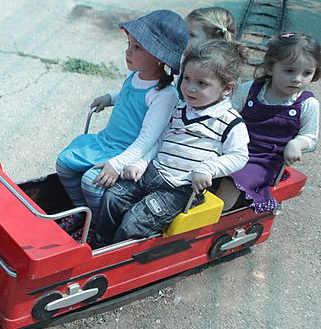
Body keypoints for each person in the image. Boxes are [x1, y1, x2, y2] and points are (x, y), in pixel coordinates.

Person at [93, 40, 250, 248]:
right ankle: (99, 243)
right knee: (112, 198)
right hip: (152, 172)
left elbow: (239, 156)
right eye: (186, 79)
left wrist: (209, 168)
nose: (190, 88)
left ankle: (116, 258)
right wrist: (140, 163)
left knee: (135, 221)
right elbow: (160, 139)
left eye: (201, 83)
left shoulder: (230, 122)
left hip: (179, 188)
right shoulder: (180, 108)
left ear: (226, 88)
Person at [55, 10, 188, 234]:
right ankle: (81, 213)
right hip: (107, 140)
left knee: (92, 182)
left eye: (138, 48)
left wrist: (117, 164)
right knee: (64, 162)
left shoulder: (165, 95)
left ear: (159, 57)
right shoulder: (135, 75)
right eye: (129, 44)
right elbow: (130, 96)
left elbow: (148, 138)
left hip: (127, 151)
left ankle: (95, 225)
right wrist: (111, 98)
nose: (128, 52)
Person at [227, 32, 320, 212]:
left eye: (307, 73)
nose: (297, 79)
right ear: (270, 67)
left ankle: (213, 221)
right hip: (235, 146)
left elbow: (309, 136)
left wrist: (297, 143)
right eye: (289, 70)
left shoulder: (307, 104)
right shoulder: (250, 90)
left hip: (265, 160)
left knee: (230, 180)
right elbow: (229, 112)